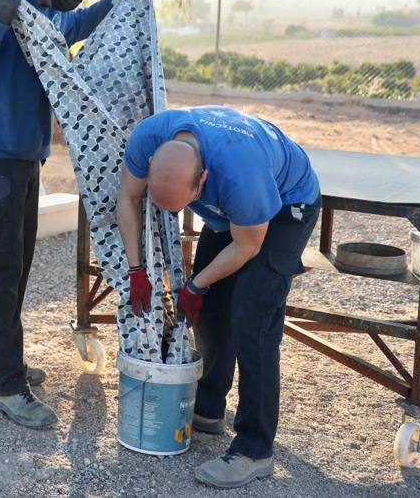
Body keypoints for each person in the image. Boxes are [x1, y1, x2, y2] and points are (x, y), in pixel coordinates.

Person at [0, 0, 144, 428]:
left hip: (21, 159)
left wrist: (116, 3)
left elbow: (71, 26)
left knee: (12, 263)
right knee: (1, 267)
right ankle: (7, 386)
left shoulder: (47, 8)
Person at [117, 105, 320, 489]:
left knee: (252, 314)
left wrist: (196, 283)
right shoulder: (148, 137)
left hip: (286, 205)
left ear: (201, 183)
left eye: (179, 207)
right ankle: (208, 408)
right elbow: (127, 198)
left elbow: (247, 246)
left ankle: (254, 449)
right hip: (234, 207)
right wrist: (136, 269)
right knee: (210, 308)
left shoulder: (240, 176)